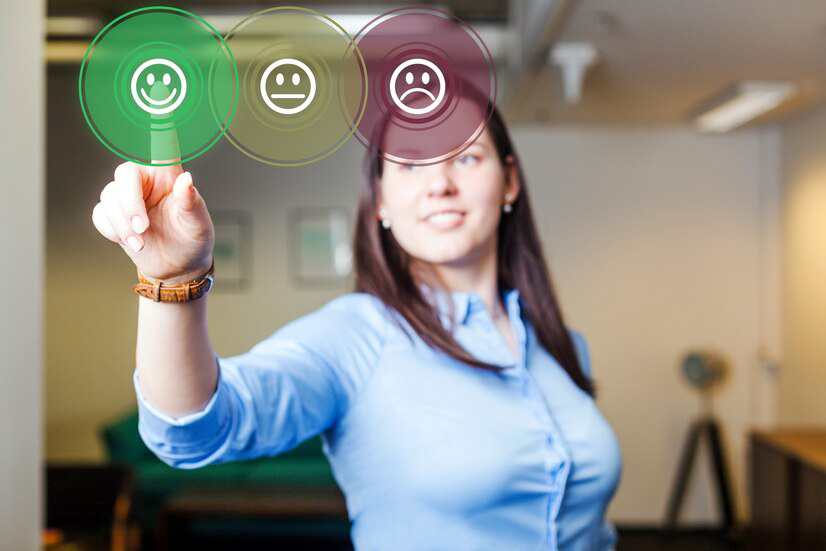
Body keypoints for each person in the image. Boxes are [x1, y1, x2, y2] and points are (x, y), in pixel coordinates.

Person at [91, 93, 622, 550]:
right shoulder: (357, 336)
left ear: (509, 182)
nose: (439, 183)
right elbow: (196, 431)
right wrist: (173, 280)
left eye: (466, 157)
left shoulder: (560, 344)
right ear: (382, 200)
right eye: (410, 164)